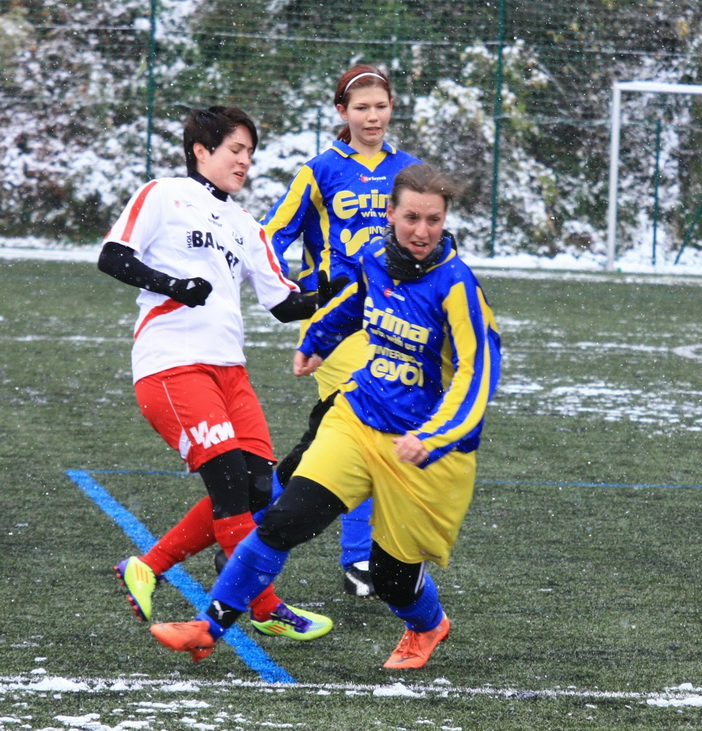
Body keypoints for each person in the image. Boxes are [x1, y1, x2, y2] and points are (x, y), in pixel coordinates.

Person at [150, 163, 501, 670]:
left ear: (445, 220)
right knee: (283, 521)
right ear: (390, 213)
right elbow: (356, 301)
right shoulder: (376, 258)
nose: (422, 231)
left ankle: (428, 625)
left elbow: (478, 375)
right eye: (411, 218)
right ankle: (208, 627)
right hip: (357, 420)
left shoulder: (458, 287)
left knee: (391, 580)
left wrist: (435, 434)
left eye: (433, 220)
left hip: (424, 450)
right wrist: (318, 340)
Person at [99, 106, 339, 642]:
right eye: (235, 150)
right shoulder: (163, 194)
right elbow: (113, 256)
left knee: (257, 490)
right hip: (172, 363)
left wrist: (336, 291)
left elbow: (285, 304)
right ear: (201, 151)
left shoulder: (245, 224)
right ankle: (264, 606)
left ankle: (147, 567)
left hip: (231, 371)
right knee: (230, 484)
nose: (245, 161)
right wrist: (174, 286)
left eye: (250, 153)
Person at [260, 64, 421, 599]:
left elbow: (429, 238)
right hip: (336, 326)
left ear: (391, 108)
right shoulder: (320, 171)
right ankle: (357, 559)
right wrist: (292, 292)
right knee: (370, 429)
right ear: (342, 112)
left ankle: (251, 516)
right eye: (361, 108)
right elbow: (270, 236)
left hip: (394, 324)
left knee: (335, 443)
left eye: (380, 106)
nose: (372, 117)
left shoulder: (411, 171)